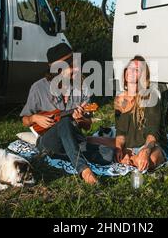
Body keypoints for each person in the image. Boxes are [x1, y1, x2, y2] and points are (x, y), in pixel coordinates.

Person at [20, 43, 114, 185]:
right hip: (48, 141)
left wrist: (81, 119)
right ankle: (84, 170)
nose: (76, 68)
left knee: (108, 154)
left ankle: (66, 155)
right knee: (64, 122)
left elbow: (87, 126)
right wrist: (34, 117)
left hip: (74, 140)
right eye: (70, 65)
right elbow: (25, 120)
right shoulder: (38, 88)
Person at [88, 56, 168, 172]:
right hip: (128, 144)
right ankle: (129, 158)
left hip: (149, 145)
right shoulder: (120, 99)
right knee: (89, 140)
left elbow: (153, 133)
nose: (131, 72)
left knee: (151, 159)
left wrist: (146, 150)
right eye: (129, 68)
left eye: (136, 70)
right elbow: (121, 133)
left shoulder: (150, 96)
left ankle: (129, 159)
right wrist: (119, 149)